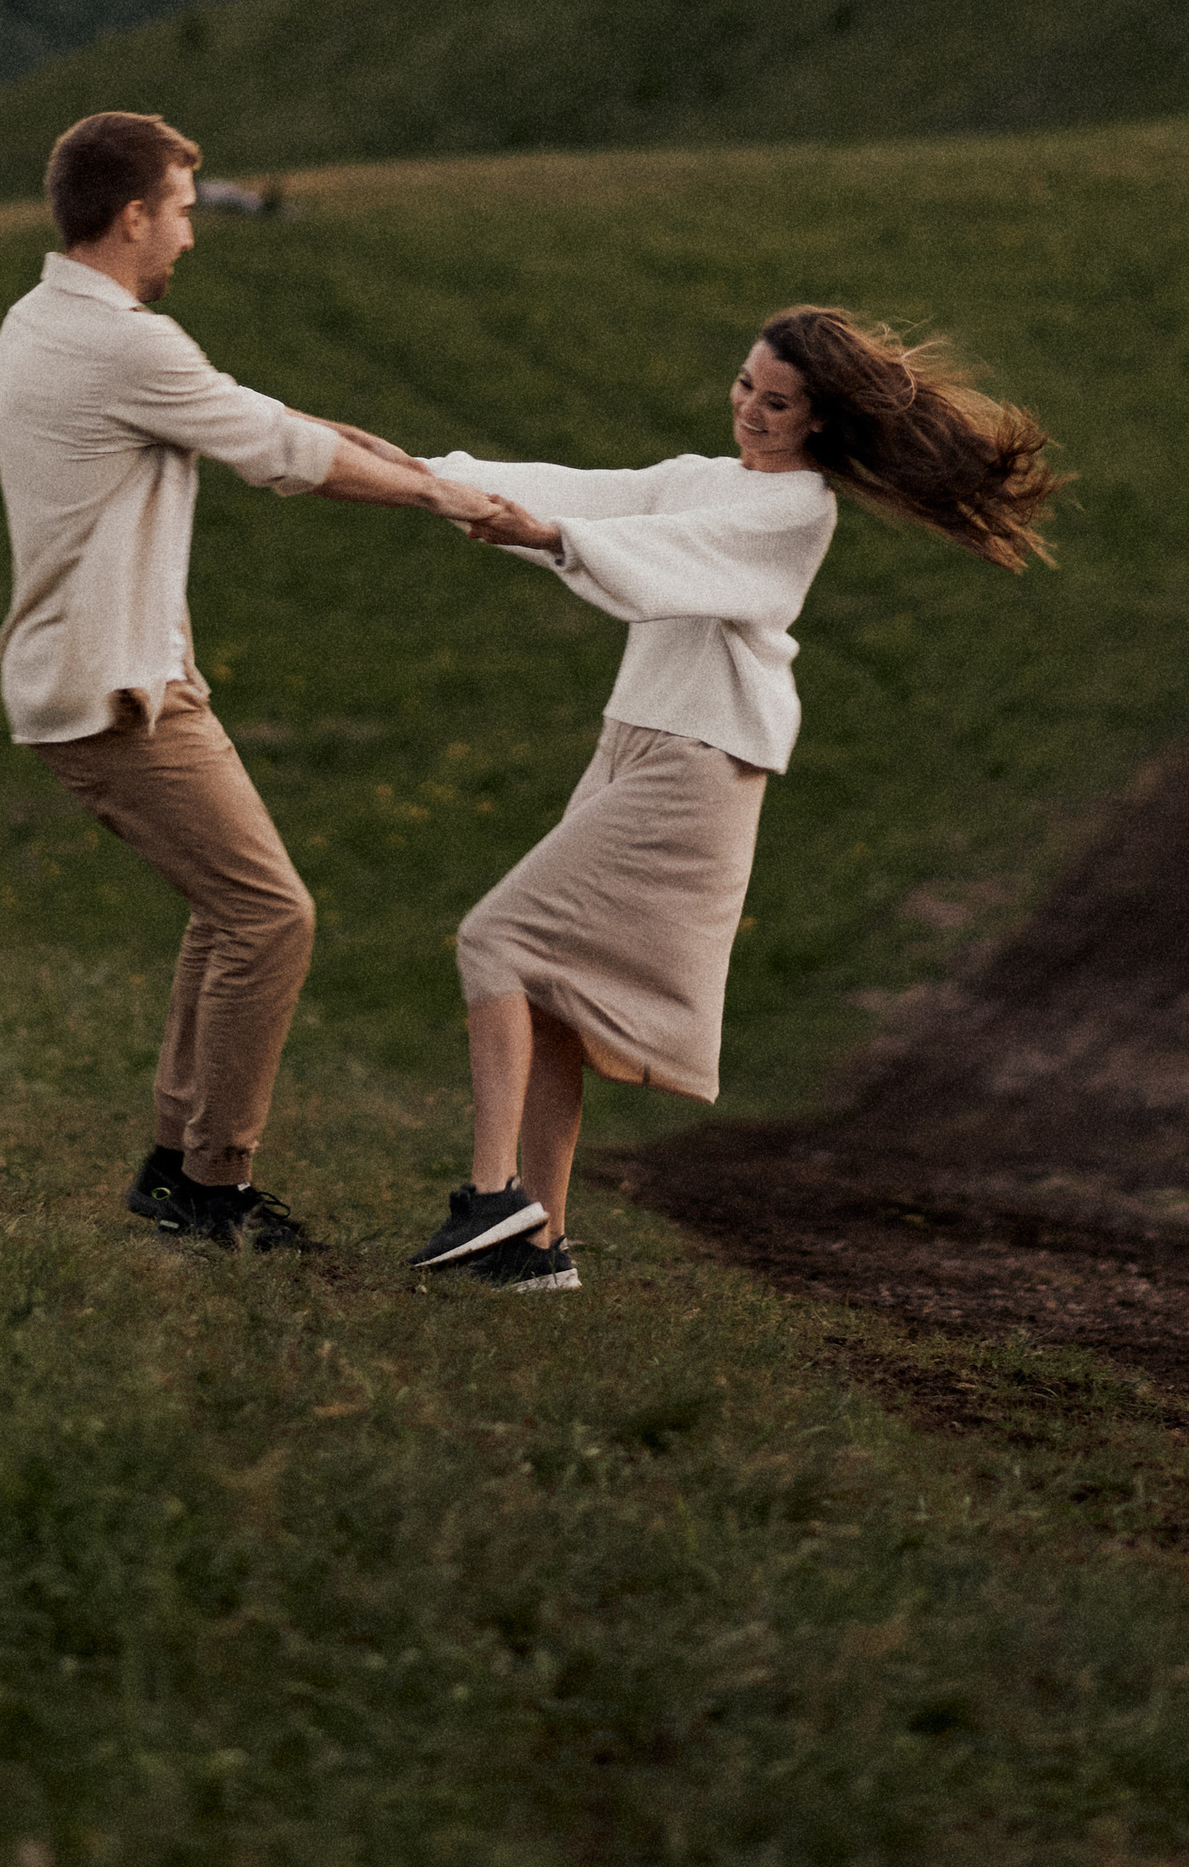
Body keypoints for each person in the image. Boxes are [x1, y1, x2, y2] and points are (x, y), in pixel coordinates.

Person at [408, 305, 1063, 1291]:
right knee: (545, 1000)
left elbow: (654, 557)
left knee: (494, 941)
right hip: (633, 740)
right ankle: (536, 1252)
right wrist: (423, 473)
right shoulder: (703, 477)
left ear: (818, 419)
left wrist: (547, 534)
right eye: (746, 385)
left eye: (778, 401)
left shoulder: (796, 510)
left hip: (697, 760)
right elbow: (593, 495)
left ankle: (496, 1200)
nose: (751, 409)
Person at [0, 109, 496, 1252]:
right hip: (114, 695)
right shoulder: (123, 344)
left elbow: (257, 415)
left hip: (125, 676)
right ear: (131, 218)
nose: (190, 234)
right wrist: (438, 497)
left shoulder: (44, 320)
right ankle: (212, 1188)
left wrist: (404, 457)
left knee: (230, 911)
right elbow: (283, 455)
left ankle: (178, 1168)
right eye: (178, 210)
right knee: (269, 916)